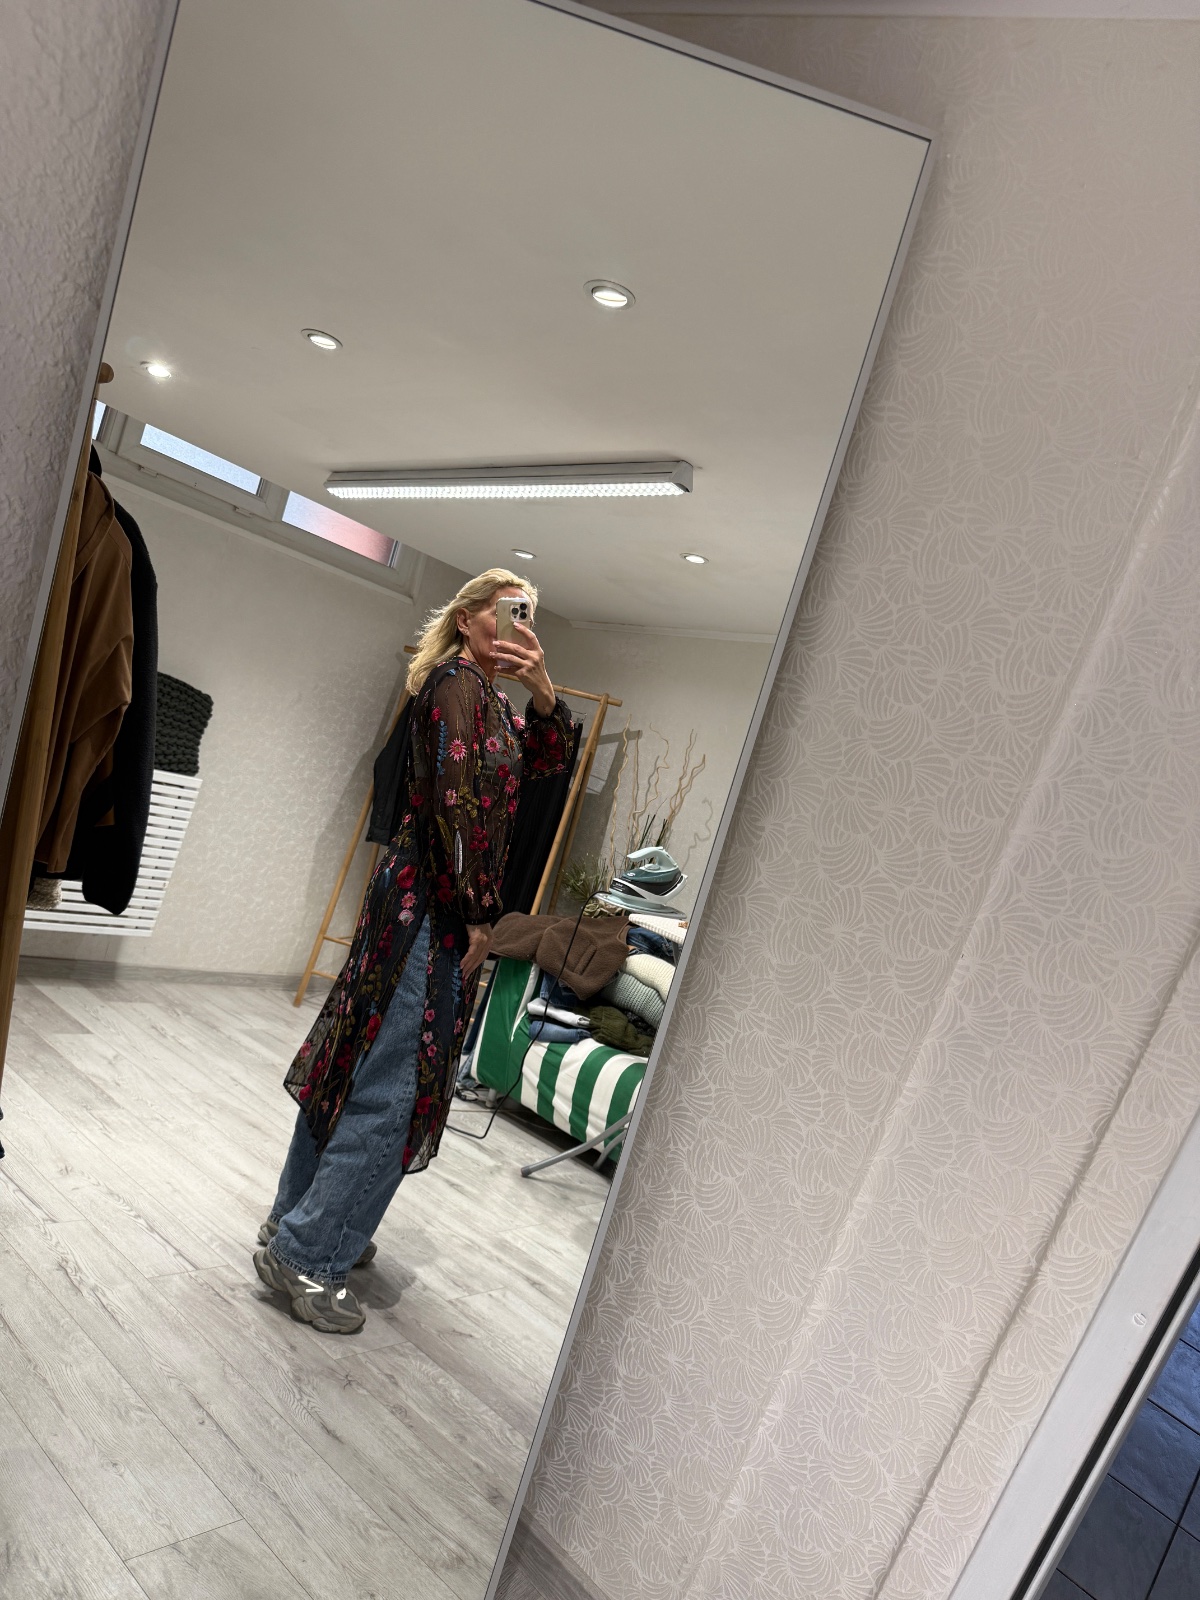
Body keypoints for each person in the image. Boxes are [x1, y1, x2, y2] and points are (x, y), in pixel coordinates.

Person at [254, 568, 574, 1332]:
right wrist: (477, 919)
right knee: (395, 1090)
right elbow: (454, 811)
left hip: (418, 900)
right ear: (467, 618)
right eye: (506, 612)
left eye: (528, 616)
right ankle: (309, 1253)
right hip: (432, 907)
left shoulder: (491, 700)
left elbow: (545, 767)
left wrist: (545, 691)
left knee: (358, 1064)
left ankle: (303, 1217)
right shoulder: (457, 688)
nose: (519, 626)